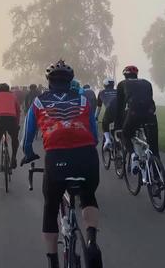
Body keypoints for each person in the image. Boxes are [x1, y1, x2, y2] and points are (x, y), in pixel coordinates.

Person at [21, 59, 101, 268]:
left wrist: (28, 154)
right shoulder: (83, 100)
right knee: (88, 197)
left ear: (49, 82)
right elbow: (94, 134)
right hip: (87, 157)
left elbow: (27, 136)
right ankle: (92, 242)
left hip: (56, 159)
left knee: (50, 207)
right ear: (70, 81)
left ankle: (53, 261)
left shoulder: (39, 102)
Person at [115, 65, 159, 175]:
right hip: (150, 114)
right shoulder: (147, 83)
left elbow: (120, 107)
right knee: (154, 148)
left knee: (126, 133)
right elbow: (150, 100)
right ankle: (157, 178)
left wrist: (118, 125)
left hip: (134, 113)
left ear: (125, 75)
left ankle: (133, 155)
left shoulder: (122, 84)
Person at [0, 83, 21, 172]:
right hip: (12, 119)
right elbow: (18, 111)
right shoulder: (13, 96)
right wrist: (17, 124)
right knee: (14, 139)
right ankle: (13, 158)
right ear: (8, 90)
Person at [97, 78, 117, 149]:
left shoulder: (101, 92)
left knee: (105, 123)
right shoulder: (118, 91)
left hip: (110, 110)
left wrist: (96, 116)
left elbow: (99, 106)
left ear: (104, 85)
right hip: (121, 111)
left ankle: (107, 140)